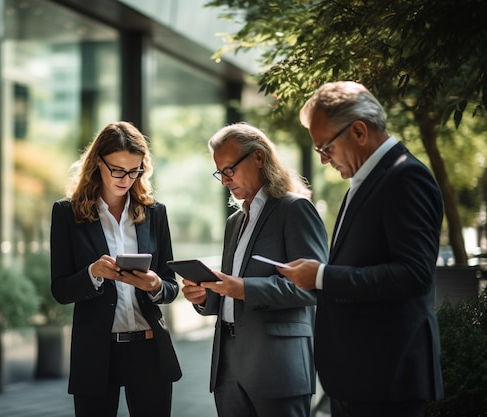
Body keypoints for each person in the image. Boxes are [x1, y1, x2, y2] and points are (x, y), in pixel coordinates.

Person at [278, 81, 444, 417]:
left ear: (358, 131)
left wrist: (323, 276)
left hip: (387, 379)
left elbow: (414, 275)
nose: (324, 160)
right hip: (361, 378)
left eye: (325, 147)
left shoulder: (405, 177)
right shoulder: (369, 179)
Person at [181, 122, 328, 417]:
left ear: (259, 158)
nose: (224, 181)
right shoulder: (234, 222)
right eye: (219, 172)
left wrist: (243, 288)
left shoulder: (295, 209)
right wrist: (204, 297)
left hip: (278, 366)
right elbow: (229, 291)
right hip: (228, 367)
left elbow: (313, 288)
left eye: (229, 170)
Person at [49, 121, 182, 417]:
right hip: (96, 350)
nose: (126, 178)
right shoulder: (67, 214)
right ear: (98, 162)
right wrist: (93, 274)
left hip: (148, 349)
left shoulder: (154, 213)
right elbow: (59, 289)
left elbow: (171, 286)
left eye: (135, 171)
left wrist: (155, 285)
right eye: (118, 170)